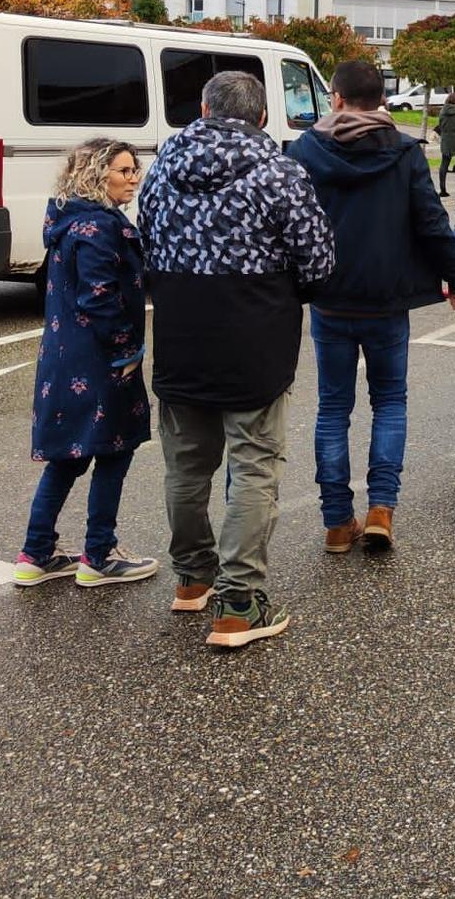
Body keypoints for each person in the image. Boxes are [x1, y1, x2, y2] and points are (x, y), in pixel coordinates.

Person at [142, 71, 334, 649]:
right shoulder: (278, 171)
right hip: (255, 328)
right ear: (261, 117)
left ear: (202, 107)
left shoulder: (160, 169)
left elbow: (146, 244)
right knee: (253, 464)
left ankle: (192, 576)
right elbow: (317, 259)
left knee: (186, 464)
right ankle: (239, 602)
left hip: (179, 326)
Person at [290, 59, 455, 556]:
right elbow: (432, 221)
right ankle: (381, 510)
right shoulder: (405, 151)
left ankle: (335, 522)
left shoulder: (306, 150)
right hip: (388, 299)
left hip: (329, 296)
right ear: (382, 100)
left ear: (338, 98)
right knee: (390, 401)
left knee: (333, 407)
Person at [14, 139, 155, 589]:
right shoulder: (98, 228)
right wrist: (125, 351)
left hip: (64, 358)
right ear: (97, 175)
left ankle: (36, 553)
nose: (133, 178)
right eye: (123, 170)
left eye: (134, 170)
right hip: (99, 362)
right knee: (114, 451)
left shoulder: (67, 220)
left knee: (67, 457)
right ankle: (99, 554)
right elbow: (98, 296)